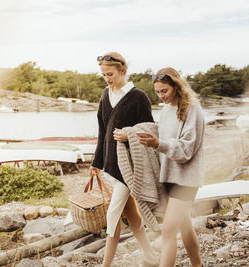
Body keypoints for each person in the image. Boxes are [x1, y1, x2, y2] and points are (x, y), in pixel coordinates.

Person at [89, 52, 158, 267]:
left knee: (112, 215)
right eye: (103, 75)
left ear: (123, 71)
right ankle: (151, 257)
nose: (107, 78)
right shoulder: (104, 95)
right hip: (111, 164)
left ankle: (105, 265)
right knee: (131, 214)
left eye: (110, 74)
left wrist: (129, 135)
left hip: (130, 167)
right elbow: (102, 130)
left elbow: (149, 130)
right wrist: (96, 162)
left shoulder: (138, 97)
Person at [138, 67, 205, 267]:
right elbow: (159, 136)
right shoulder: (166, 110)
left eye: (164, 91)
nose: (161, 96)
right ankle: (198, 265)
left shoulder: (192, 108)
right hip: (168, 177)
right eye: (157, 92)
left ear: (176, 86)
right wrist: (131, 135)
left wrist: (158, 143)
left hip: (186, 179)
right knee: (185, 226)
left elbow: (186, 149)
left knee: (168, 231)